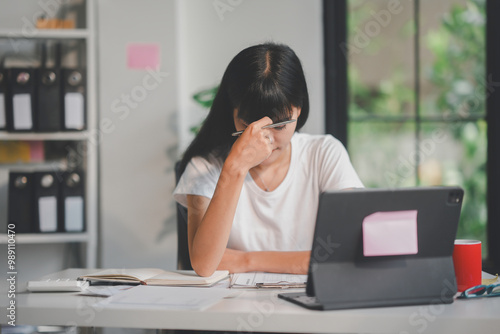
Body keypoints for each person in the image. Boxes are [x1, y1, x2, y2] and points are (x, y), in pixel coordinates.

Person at [174, 42, 363, 277]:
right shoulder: (205, 166)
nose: (265, 140)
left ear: (299, 109)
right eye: (247, 126)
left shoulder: (324, 154)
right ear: (231, 113)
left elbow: (343, 253)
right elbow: (204, 264)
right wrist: (235, 168)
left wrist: (244, 260)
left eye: (280, 125)